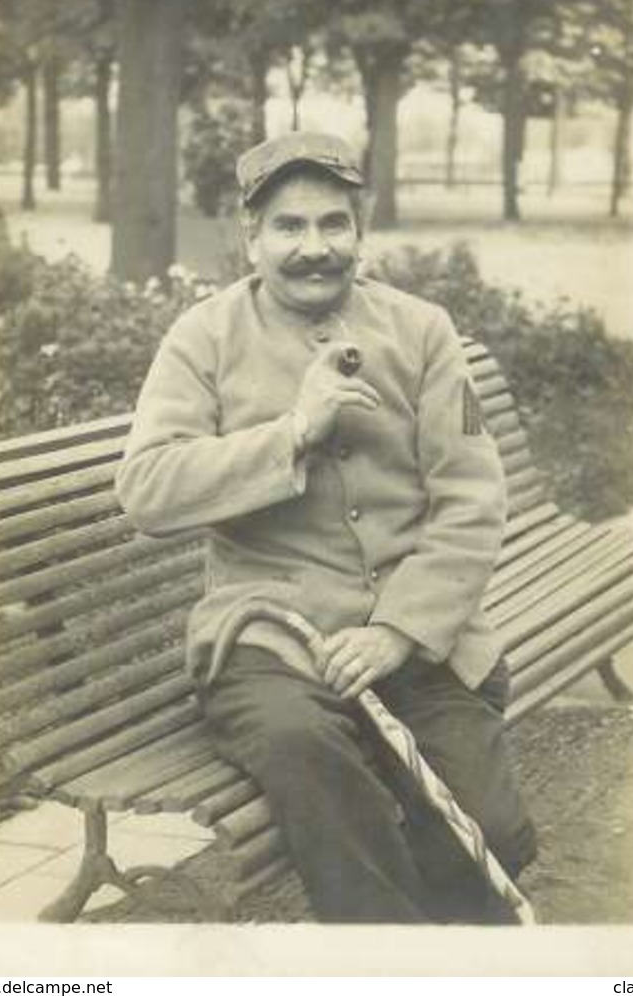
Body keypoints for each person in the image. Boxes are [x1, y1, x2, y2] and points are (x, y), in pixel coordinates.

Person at [115, 131, 537, 924]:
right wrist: (294, 432)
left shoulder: (422, 331)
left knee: (494, 834)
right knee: (312, 765)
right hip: (271, 645)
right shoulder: (202, 339)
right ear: (251, 236)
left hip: (418, 639)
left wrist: (399, 631)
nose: (315, 247)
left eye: (333, 224)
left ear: (360, 230)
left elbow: (473, 500)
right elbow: (145, 490)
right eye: (289, 226)